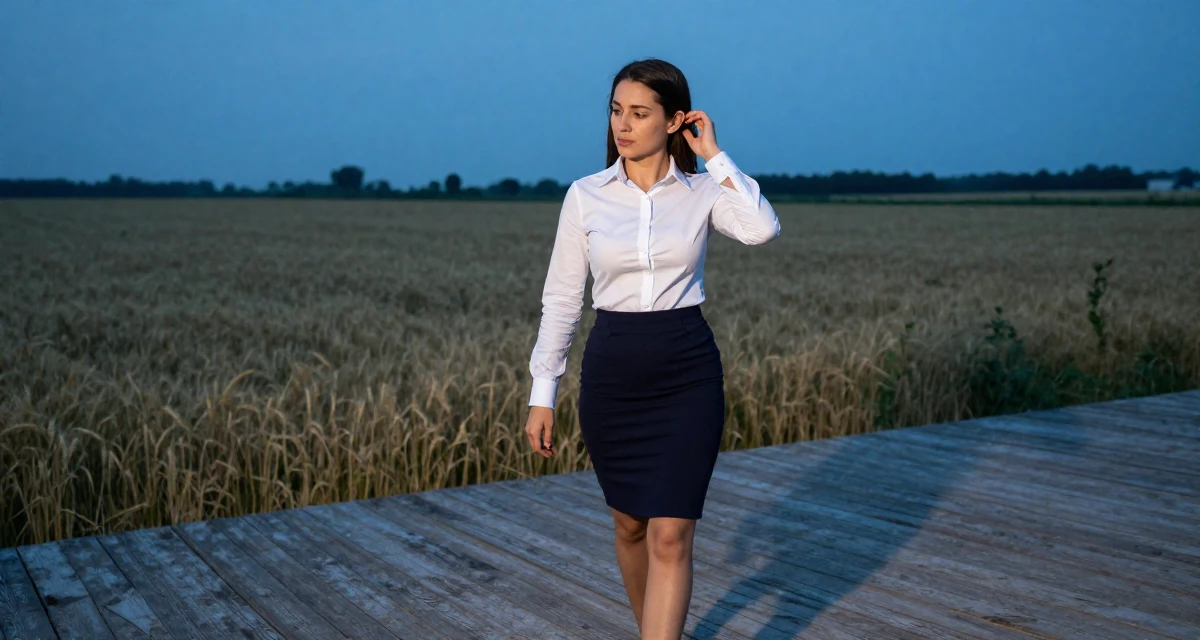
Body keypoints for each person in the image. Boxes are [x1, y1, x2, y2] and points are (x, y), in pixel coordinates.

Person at [524, 58, 780, 639]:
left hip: (686, 369)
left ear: (673, 121)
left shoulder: (701, 192)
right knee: (630, 526)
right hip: (613, 371)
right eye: (617, 110)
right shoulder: (585, 196)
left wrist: (713, 153)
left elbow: (762, 228)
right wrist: (544, 394)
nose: (624, 124)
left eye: (640, 113)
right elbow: (562, 299)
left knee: (671, 532)